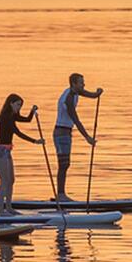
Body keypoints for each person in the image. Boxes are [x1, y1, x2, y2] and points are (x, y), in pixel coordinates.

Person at [52, 73, 102, 201]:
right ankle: (61, 195)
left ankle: (61, 194)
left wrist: (97, 94)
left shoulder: (74, 92)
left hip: (65, 132)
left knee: (65, 164)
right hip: (61, 133)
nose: (83, 84)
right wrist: (87, 137)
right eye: (81, 82)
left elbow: (88, 94)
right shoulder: (69, 98)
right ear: (74, 84)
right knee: (63, 164)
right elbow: (76, 120)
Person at [0, 94, 42, 216]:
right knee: (4, 181)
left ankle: (9, 208)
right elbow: (18, 133)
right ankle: (0, 211)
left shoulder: (12, 115)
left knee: (11, 180)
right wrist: (35, 141)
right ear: (11, 103)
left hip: (7, 151)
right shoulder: (6, 117)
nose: (19, 108)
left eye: (21, 105)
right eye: (18, 105)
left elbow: (27, 120)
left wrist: (32, 111)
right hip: (0, 151)